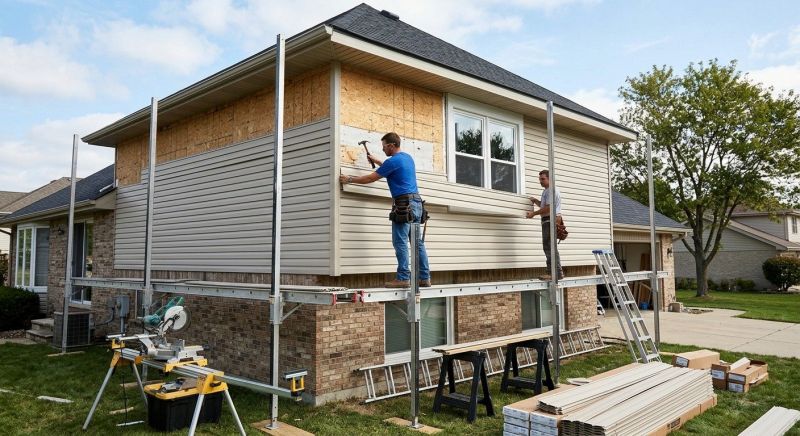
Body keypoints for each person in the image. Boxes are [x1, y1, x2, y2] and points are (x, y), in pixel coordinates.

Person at [339, 132, 431, 288]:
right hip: (416, 204)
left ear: (391, 145)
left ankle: (403, 278)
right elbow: (394, 169)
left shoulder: (392, 161)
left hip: (403, 205)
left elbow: (370, 178)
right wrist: (378, 161)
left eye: (384, 147)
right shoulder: (407, 158)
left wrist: (349, 179)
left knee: (400, 241)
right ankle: (425, 278)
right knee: (417, 244)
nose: (383, 150)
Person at [526, 169, 564, 280]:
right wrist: (536, 201)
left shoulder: (551, 190)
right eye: (540, 179)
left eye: (543, 179)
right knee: (549, 246)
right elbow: (544, 206)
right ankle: (557, 272)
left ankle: (554, 273)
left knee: (549, 246)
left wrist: (533, 214)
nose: (540, 181)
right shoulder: (546, 191)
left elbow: (548, 208)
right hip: (548, 219)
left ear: (549, 178)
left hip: (550, 219)